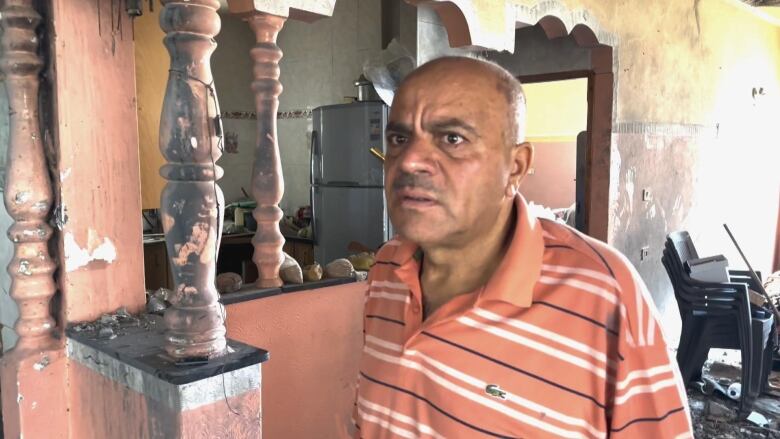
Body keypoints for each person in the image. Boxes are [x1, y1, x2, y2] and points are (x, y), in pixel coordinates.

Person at [352, 56, 693, 438]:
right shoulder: (386, 271)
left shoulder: (606, 297)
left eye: (452, 139)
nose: (410, 160)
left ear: (515, 167)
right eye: (400, 138)